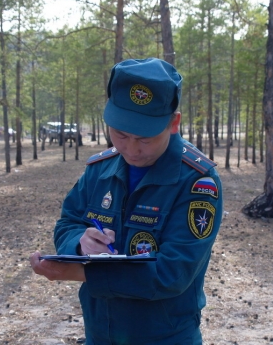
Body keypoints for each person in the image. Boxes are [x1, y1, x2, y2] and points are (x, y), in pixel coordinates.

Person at [30, 57, 223, 345]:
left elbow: (173, 272)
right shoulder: (100, 169)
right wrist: (81, 243)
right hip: (100, 331)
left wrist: (83, 273)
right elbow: (69, 220)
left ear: (173, 123)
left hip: (164, 336)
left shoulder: (197, 181)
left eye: (145, 138)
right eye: (120, 133)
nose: (131, 149)